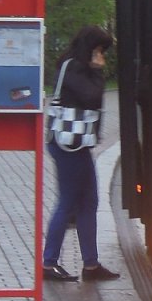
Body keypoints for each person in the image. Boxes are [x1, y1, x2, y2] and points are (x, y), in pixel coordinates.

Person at [42, 25, 120, 284]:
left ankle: (91, 263)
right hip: (68, 145)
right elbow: (92, 97)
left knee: (89, 201)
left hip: (77, 144)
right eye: (99, 50)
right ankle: (49, 262)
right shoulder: (74, 66)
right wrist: (98, 72)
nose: (101, 56)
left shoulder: (74, 65)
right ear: (90, 47)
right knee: (67, 203)